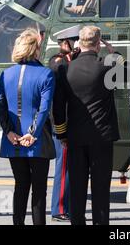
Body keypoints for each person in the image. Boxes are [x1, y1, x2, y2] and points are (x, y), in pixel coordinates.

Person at [54, 26, 121, 225]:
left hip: (75, 138)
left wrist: (62, 134)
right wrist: (115, 53)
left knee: (77, 189)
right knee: (100, 190)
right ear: (98, 43)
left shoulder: (65, 69)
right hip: (102, 137)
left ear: (79, 42)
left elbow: (58, 108)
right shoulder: (106, 65)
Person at [0, 29, 56, 225]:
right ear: (36, 49)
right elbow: (44, 108)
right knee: (39, 190)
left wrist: (9, 131)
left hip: (13, 140)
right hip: (37, 142)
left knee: (21, 186)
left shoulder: (6, 74)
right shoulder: (46, 74)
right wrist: (33, 134)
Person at [48, 25, 81, 222]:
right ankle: (59, 208)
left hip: (73, 123)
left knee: (72, 168)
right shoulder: (58, 62)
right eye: (75, 40)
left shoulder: (72, 60)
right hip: (63, 125)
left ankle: (66, 206)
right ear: (66, 43)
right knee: (64, 168)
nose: (77, 44)